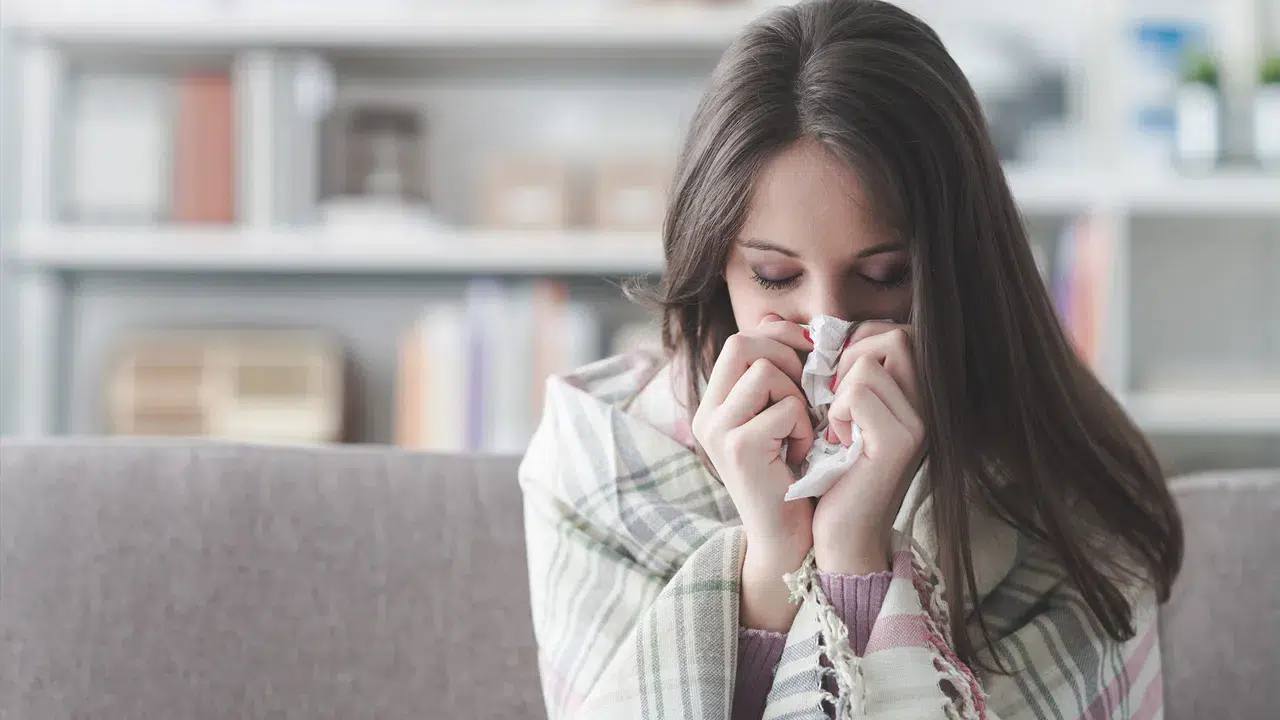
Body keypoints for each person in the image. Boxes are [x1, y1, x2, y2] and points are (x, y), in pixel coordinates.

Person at [518, 1, 1183, 718]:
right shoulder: (602, 460)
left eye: (885, 275)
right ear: (714, 267)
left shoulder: (1062, 485)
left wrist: (854, 553)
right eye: (775, 276)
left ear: (959, 267)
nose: (827, 325)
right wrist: (772, 563)